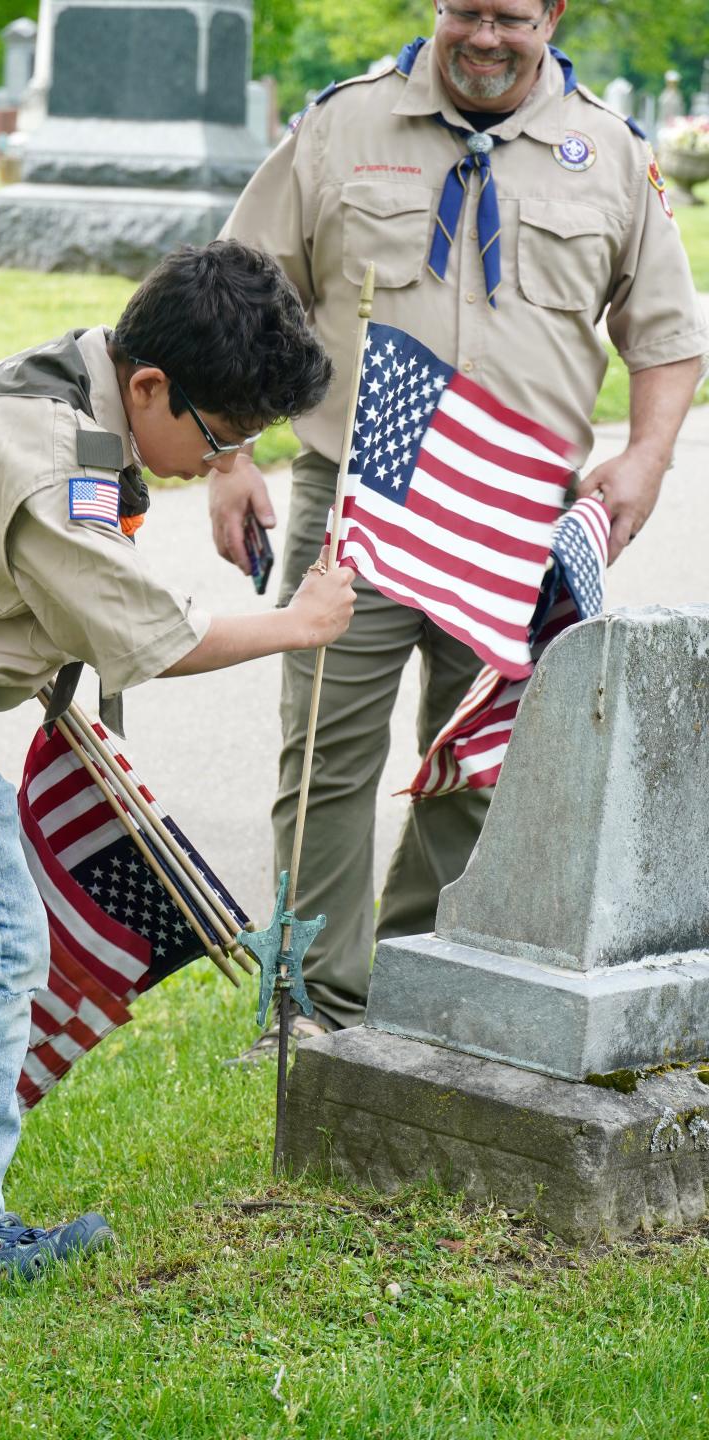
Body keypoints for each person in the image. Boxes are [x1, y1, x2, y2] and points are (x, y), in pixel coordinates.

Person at [0, 240, 356, 1304]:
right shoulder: (62, 455)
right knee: (4, 939)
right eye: (223, 437)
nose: (216, 461)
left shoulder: (52, 370)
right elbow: (151, 633)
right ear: (151, 387)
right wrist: (297, 623)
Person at [213, 1, 709, 1061]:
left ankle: (413, 985)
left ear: (553, 15)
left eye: (512, 18)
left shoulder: (610, 153)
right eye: (468, 12)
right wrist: (229, 456)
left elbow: (667, 331)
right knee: (325, 759)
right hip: (361, 489)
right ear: (437, 7)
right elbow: (243, 294)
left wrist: (649, 457)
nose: (487, 38)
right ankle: (311, 1012)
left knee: (481, 762)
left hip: (516, 505)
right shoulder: (345, 127)